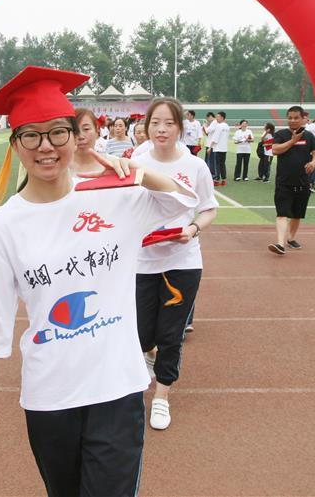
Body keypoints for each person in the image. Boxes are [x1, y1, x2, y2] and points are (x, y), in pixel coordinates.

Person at [0, 66, 197, 497]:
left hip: (117, 388)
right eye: (31, 135)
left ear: (76, 137)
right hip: (49, 395)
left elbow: (184, 200)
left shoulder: (113, 196)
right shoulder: (3, 227)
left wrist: (137, 171)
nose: (46, 146)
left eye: (58, 132)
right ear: (15, 145)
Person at [133, 97, 218, 430]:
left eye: (169, 123)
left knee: (171, 334)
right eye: (156, 122)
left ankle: (161, 396)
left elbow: (209, 209)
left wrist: (193, 228)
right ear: (146, 126)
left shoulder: (195, 166)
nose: (162, 129)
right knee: (140, 334)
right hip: (141, 260)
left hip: (181, 260)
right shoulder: (138, 159)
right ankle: (150, 356)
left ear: (181, 127)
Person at [267, 106, 315, 255]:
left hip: (303, 182)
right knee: (282, 213)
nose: (293, 120)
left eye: (296, 118)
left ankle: (291, 238)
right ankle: (280, 244)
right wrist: (292, 141)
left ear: (303, 118)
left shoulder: (309, 136)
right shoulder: (281, 134)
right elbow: (275, 149)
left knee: (297, 215)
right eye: (290, 118)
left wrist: (313, 163)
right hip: (284, 182)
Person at [73, 107, 106, 175]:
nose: (81, 136)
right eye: (75, 130)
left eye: (86, 129)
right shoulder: (60, 168)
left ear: (97, 130)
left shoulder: (111, 164)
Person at [210, 111, 230, 186]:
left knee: (217, 164)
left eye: (217, 117)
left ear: (222, 117)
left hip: (218, 148)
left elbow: (215, 138)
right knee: (222, 164)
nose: (216, 118)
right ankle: (224, 180)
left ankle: (217, 180)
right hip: (224, 148)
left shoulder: (219, 126)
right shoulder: (227, 126)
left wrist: (210, 147)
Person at [203, 112, 217, 179]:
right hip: (211, 144)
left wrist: (205, 126)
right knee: (210, 159)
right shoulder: (214, 123)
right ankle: (211, 173)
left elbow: (207, 131)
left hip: (210, 145)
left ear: (210, 116)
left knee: (210, 160)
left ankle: (211, 174)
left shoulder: (214, 122)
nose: (207, 120)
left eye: (207, 118)